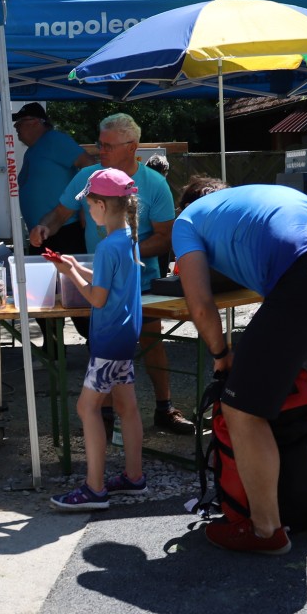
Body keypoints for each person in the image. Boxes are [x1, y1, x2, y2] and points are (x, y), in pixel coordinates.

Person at [173, 179, 307, 554]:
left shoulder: (186, 220)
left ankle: (265, 530)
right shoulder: (252, 198)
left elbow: (199, 303)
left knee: (241, 406)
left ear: (183, 205)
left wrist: (221, 354)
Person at [31, 113, 194, 436]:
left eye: (107, 145)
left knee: (151, 341)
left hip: (141, 282)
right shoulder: (87, 176)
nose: (99, 150)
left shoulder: (154, 183)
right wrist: (44, 227)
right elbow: (60, 213)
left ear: (132, 147)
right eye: (99, 143)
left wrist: (124, 254)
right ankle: (105, 417)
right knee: (100, 345)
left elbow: (165, 236)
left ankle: (164, 408)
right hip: (101, 277)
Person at [48, 169, 145, 511]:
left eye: (89, 205)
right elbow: (110, 281)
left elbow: (98, 298)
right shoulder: (129, 237)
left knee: (86, 407)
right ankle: (134, 477)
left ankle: (95, 488)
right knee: (127, 407)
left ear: (102, 205)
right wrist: (76, 265)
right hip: (125, 337)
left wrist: (69, 274)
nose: (88, 212)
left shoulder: (106, 246)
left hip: (107, 340)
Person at [13, 102, 94, 255]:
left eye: (19, 123)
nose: (15, 127)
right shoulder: (32, 150)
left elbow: (89, 165)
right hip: (43, 232)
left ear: (35, 122)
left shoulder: (55, 140)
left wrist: (85, 205)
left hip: (64, 230)